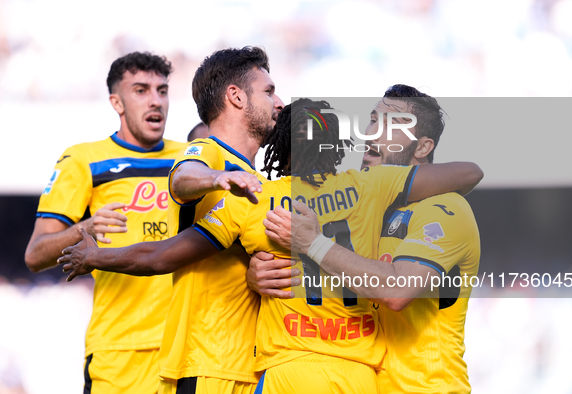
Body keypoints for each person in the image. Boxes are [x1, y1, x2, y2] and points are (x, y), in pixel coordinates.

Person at [59, 98, 482, 393]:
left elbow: (162, 255)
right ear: (336, 147)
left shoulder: (252, 199)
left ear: (278, 145)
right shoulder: (371, 189)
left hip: (290, 371)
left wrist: (95, 255)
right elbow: (468, 172)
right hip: (361, 375)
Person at [263, 85, 480, 394]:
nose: (371, 134)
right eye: (372, 120)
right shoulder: (363, 206)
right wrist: (260, 273)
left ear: (422, 147)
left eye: (390, 124)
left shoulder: (444, 209)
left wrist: (312, 243)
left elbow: (396, 291)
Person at [24, 52, 184, 393]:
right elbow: (35, 255)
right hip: (119, 353)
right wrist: (86, 228)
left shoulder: (190, 160)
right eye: (141, 90)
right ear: (117, 102)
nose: (155, 100)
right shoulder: (84, 159)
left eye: (162, 90)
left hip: (187, 352)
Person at [163, 46, 284, 394]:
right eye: (269, 91)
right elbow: (183, 178)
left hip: (246, 365)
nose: (279, 103)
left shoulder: (251, 176)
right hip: (208, 364)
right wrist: (215, 178)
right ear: (236, 96)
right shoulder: (211, 152)